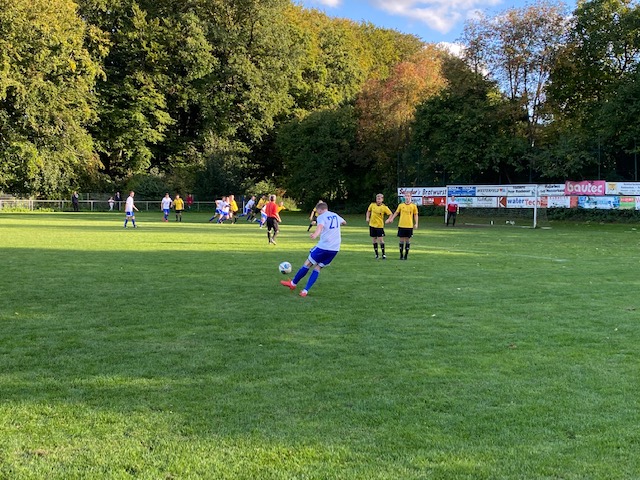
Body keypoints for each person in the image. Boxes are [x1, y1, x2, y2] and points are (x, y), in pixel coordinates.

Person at [281, 202, 346, 297]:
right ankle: (305, 291)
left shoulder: (321, 217)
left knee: (308, 263)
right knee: (318, 267)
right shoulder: (335, 215)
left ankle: (293, 284)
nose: (317, 213)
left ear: (320, 210)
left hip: (324, 247)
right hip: (335, 248)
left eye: (317, 211)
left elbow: (320, 227)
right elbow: (344, 222)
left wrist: (315, 234)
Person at [386, 193, 419, 260]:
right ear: (404, 197)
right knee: (401, 240)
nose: (407, 197)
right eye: (406, 196)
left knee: (407, 240)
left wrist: (416, 223)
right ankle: (401, 255)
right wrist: (392, 218)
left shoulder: (413, 206)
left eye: (408, 196)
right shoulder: (401, 205)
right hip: (401, 225)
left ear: (411, 197)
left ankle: (406, 255)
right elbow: (396, 212)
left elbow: (415, 215)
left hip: (409, 226)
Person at [366, 193, 392, 259]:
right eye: (377, 199)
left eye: (379, 199)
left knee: (381, 240)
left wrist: (388, 220)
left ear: (382, 200)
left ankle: (383, 254)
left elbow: (390, 214)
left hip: (379, 226)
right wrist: (367, 217)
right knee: (374, 239)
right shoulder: (372, 205)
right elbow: (368, 211)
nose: (378, 200)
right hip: (372, 225)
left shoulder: (384, 207)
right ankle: (376, 254)